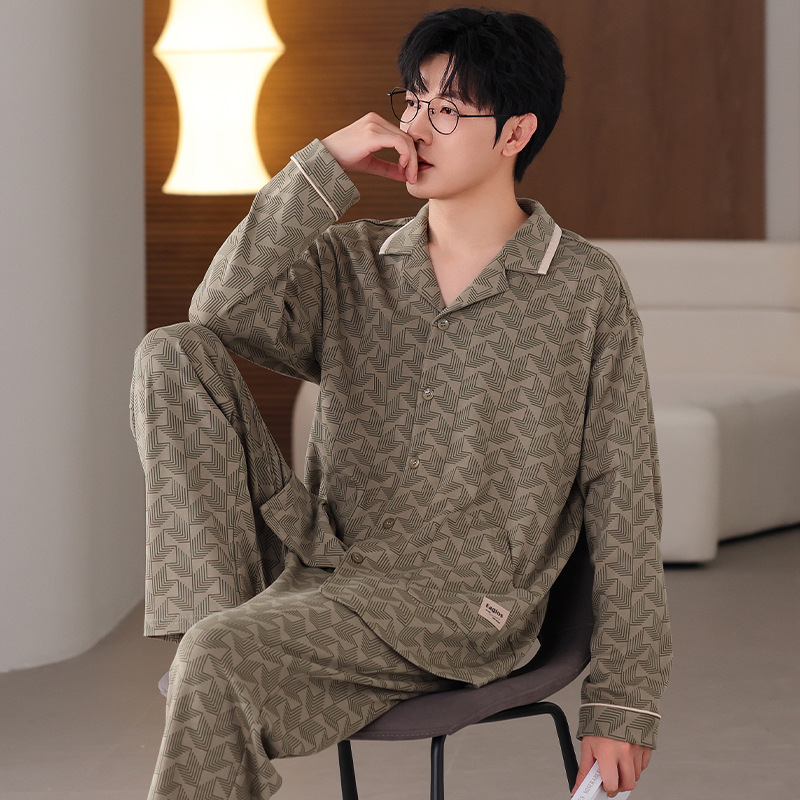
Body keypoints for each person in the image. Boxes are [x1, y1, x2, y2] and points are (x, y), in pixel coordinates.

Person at [130, 8, 671, 799]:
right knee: (171, 351)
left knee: (216, 657)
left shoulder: (582, 291)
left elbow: (625, 497)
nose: (416, 125)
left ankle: (219, 654)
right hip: (322, 568)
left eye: (447, 109)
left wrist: (624, 702)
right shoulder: (353, 260)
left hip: (456, 610)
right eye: (413, 99)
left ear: (516, 133)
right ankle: (224, 632)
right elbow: (220, 309)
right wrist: (323, 166)